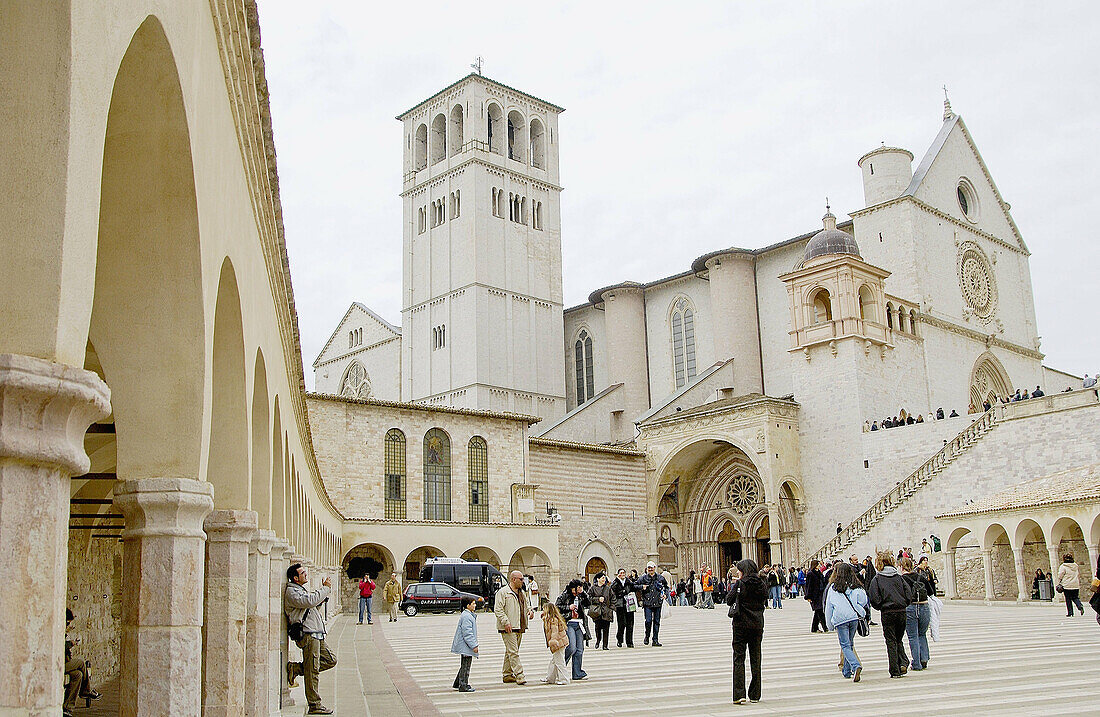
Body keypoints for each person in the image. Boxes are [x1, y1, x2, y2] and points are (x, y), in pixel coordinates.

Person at [285, 562, 336, 715]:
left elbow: (311, 606)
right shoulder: (292, 592)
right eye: (302, 573)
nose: (306, 574)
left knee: (330, 660)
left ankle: (297, 668)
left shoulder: (300, 590)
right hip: (308, 635)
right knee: (312, 671)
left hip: (316, 634)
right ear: (295, 578)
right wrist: (325, 588)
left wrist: (321, 598)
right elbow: (309, 601)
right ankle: (315, 704)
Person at [726, 559, 767, 705]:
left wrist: (736, 585)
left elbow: (729, 600)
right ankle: (755, 694)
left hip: (740, 625)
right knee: (756, 658)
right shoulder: (761, 584)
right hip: (757, 625)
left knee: (739, 658)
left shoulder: (740, 584)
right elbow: (765, 599)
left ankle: (739, 694)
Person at [867, 552, 914, 678]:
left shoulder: (877, 579)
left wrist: (881, 606)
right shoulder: (899, 577)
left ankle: (895, 669)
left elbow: (874, 598)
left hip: (887, 612)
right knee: (898, 639)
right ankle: (903, 662)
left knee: (891, 641)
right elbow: (909, 594)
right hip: (901, 611)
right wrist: (903, 603)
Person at [824, 562, 869, 683]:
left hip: (840, 619)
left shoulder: (833, 588)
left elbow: (829, 608)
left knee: (845, 645)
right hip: (853, 618)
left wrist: (829, 624)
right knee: (850, 643)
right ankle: (846, 671)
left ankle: (855, 665)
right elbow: (864, 601)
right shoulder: (855, 586)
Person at [494, 570, 533, 684]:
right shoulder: (503, 592)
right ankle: (520, 675)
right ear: (513, 579)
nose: (522, 581)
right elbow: (498, 609)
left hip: (519, 625)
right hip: (508, 627)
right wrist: (505, 622)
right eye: (520, 579)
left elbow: (526, 604)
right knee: (513, 652)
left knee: (510, 651)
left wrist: (530, 610)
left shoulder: (521, 592)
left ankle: (507, 674)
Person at [63, 609, 100, 717]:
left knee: (78, 675)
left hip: (66, 662)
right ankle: (86, 690)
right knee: (80, 663)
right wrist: (71, 643)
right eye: (67, 622)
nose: (68, 625)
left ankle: (68, 707)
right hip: (59, 665)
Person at [900, 556, 932, 671]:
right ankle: (924, 659)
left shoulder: (901, 579)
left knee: (913, 636)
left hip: (910, 607)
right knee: (922, 634)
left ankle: (917, 663)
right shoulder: (920, 577)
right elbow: (931, 591)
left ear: (901, 567)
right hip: (924, 606)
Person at [556, 579, 590, 680]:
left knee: (579, 649)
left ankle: (577, 672)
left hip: (579, 623)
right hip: (569, 623)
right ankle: (560, 668)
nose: (579, 589)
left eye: (581, 587)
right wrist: (568, 607)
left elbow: (588, 603)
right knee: (571, 648)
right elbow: (556, 607)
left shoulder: (581, 595)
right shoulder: (565, 595)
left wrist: (583, 593)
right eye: (578, 587)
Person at [450, 596, 479, 692]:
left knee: (464, 664)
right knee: (466, 665)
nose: (475, 605)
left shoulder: (467, 615)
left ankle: (458, 682)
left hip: (465, 645)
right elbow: (467, 633)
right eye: (473, 604)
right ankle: (463, 685)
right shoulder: (467, 616)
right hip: (466, 645)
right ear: (468, 605)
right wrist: (474, 645)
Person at [637, 561, 669, 646]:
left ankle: (655, 639)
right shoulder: (643, 578)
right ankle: (647, 636)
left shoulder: (660, 578)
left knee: (657, 621)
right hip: (647, 603)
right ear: (647, 569)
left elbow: (666, 587)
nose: (650, 569)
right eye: (649, 568)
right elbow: (634, 585)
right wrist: (641, 587)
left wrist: (665, 594)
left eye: (652, 567)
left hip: (658, 602)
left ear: (655, 568)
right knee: (648, 621)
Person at [541, 603, 570, 685]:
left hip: (558, 643)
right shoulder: (552, 619)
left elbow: (554, 632)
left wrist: (553, 641)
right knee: (554, 661)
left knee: (559, 662)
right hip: (561, 642)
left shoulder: (552, 620)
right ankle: (550, 678)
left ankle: (564, 679)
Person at [588, 571, 614, 650]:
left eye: (604, 578)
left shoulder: (608, 588)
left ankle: (605, 645)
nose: (604, 579)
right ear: (598, 579)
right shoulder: (593, 588)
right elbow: (589, 598)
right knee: (598, 628)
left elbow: (613, 598)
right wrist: (597, 599)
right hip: (597, 611)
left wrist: (611, 608)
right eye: (602, 578)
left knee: (606, 628)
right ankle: (598, 640)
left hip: (606, 611)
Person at [612, 568, 636, 647]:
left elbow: (634, 587)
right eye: (620, 573)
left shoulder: (629, 582)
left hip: (629, 604)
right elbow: (612, 590)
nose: (622, 574)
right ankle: (620, 639)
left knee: (630, 624)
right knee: (621, 624)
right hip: (620, 605)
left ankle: (629, 641)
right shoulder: (616, 582)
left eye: (623, 573)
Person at [806, 559, 828, 632]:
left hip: (820, 594)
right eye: (818, 564)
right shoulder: (810, 573)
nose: (819, 566)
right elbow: (809, 586)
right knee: (820, 611)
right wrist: (808, 596)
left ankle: (814, 628)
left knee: (817, 611)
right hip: (814, 595)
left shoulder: (819, 572)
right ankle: (825, 627)